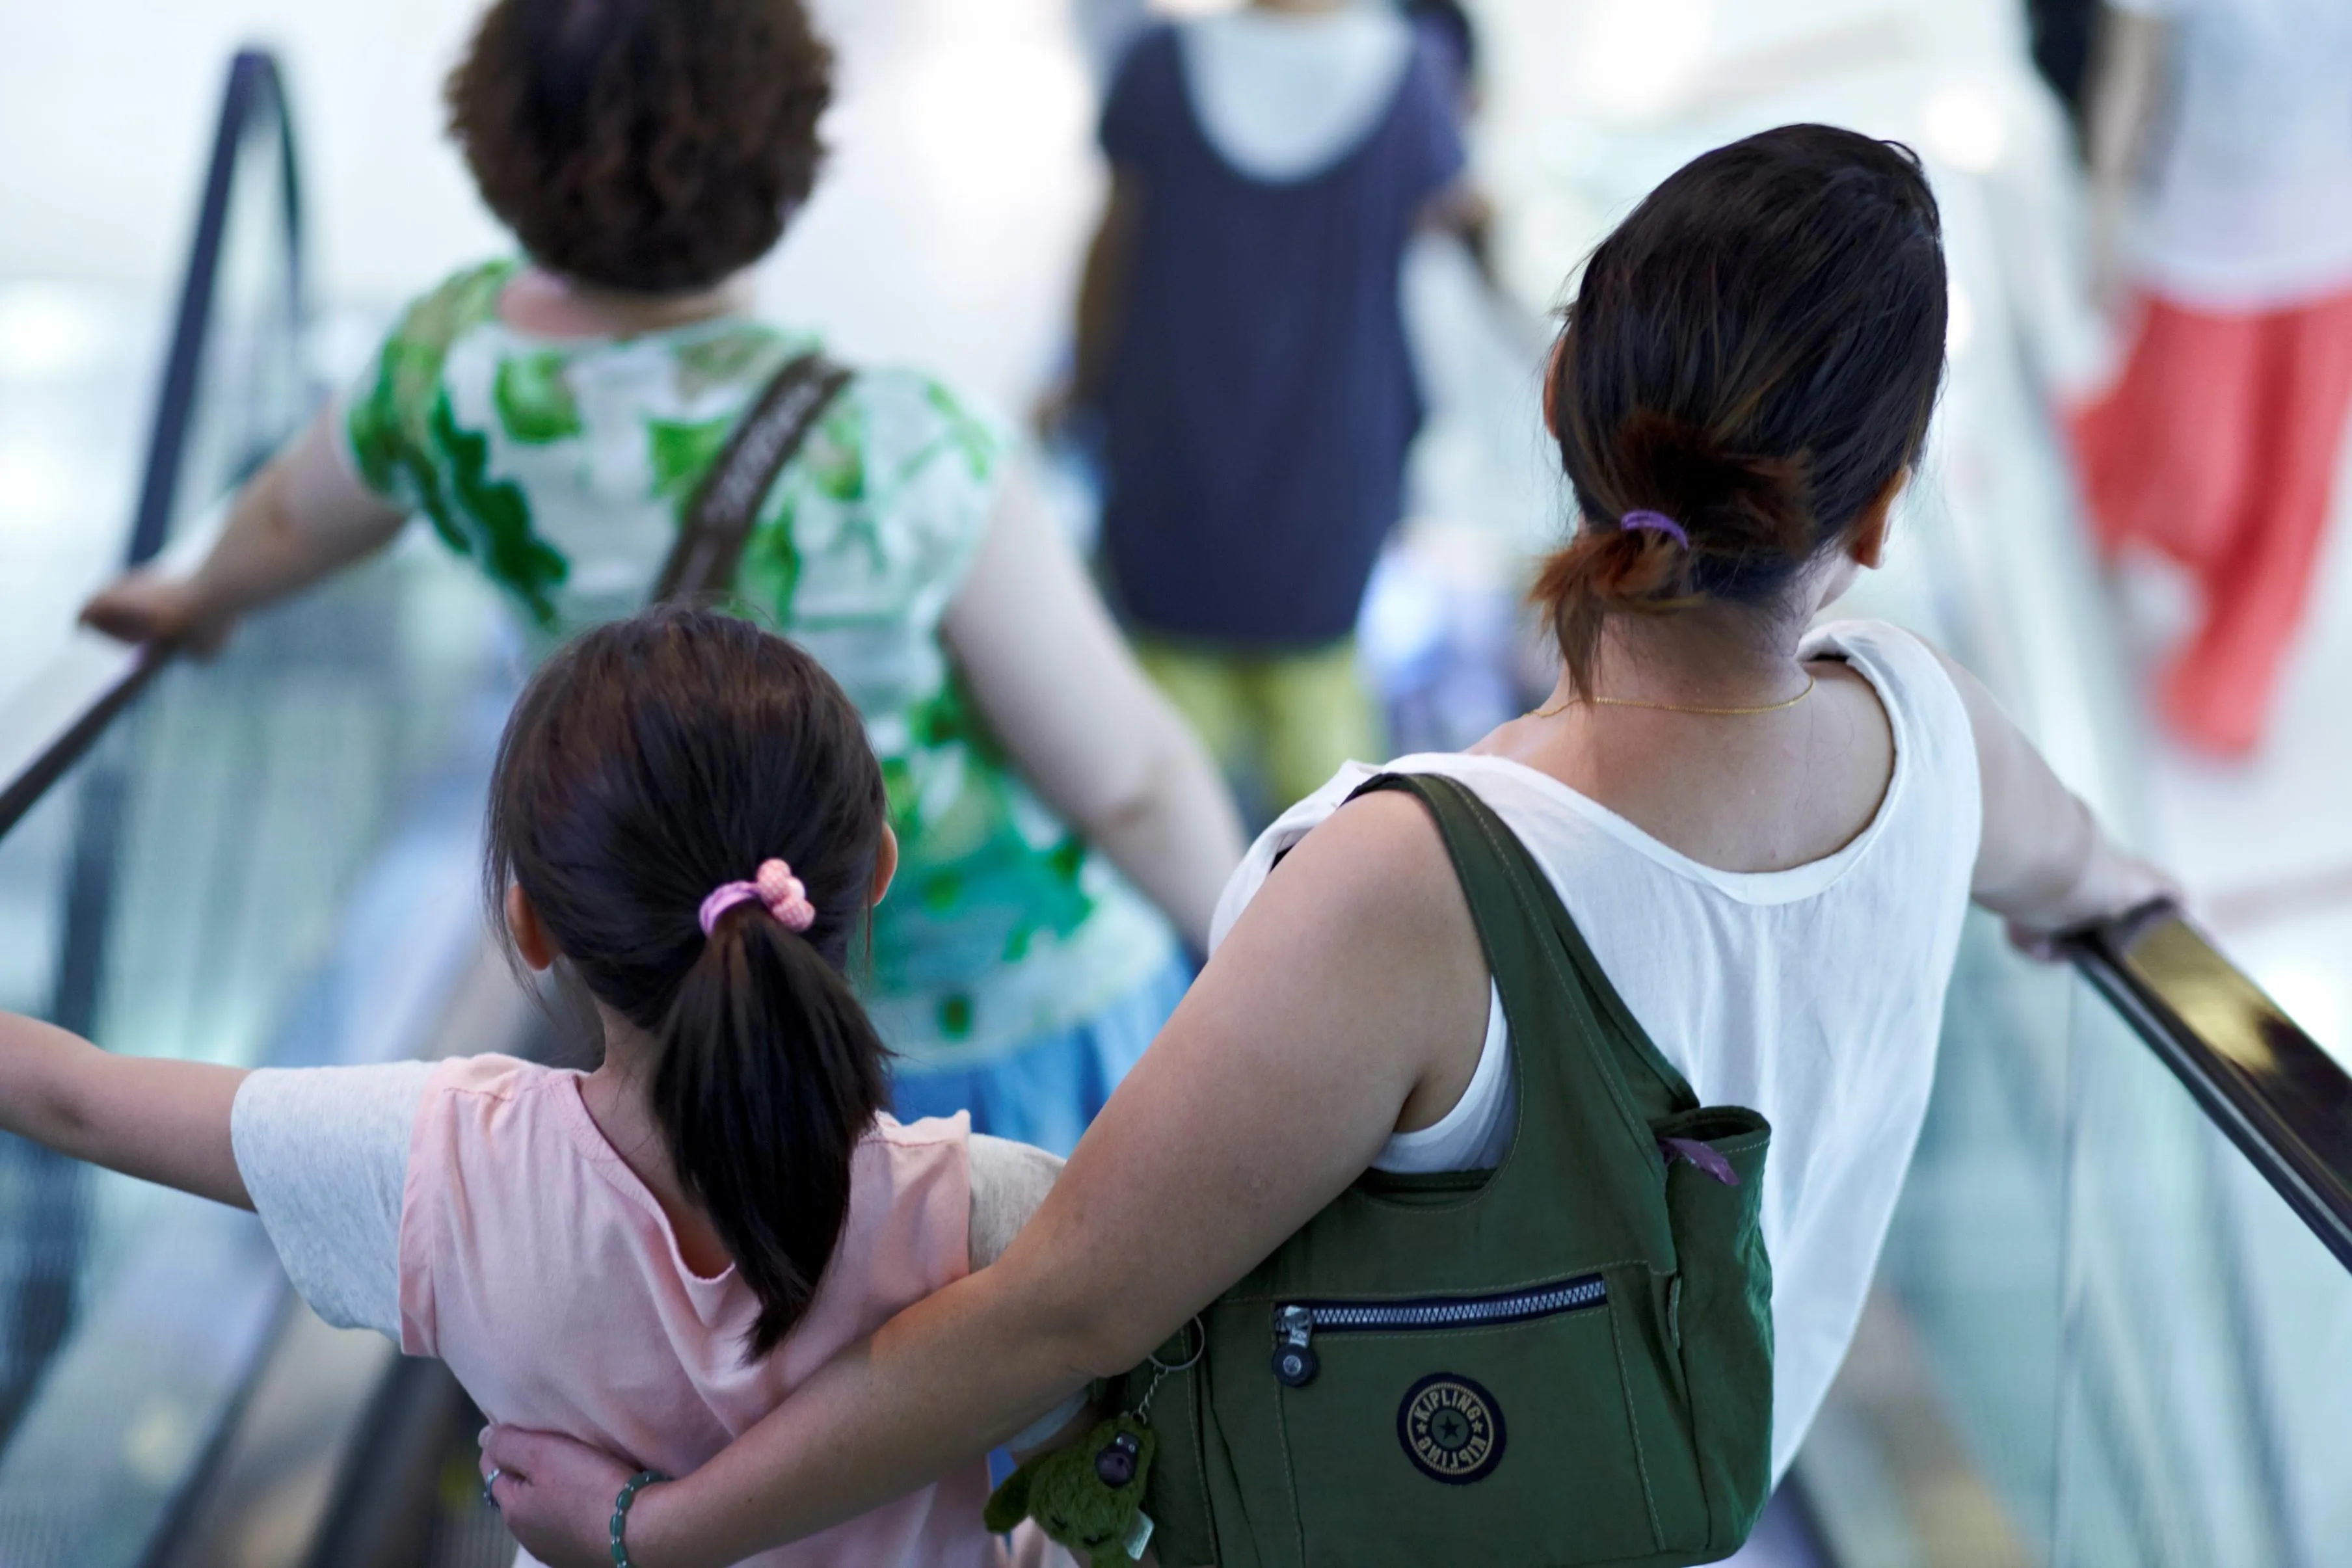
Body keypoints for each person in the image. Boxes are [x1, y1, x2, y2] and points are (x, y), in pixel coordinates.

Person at [474, 126, 2176, 1567]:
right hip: (1662, 1497)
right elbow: (2087, 874)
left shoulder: (1419, 881)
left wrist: (653, 1528)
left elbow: (1066, 1311)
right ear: (1876, 510)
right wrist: (2124, 915)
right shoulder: (1936, 731)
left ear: (1561, 394)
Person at [80, 0, 1244, 1155]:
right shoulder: (903, 452)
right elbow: (1128, 782)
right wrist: (1244, 940)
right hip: (999, 1018)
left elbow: (294, 514)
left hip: (705, 1036)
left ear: (499, 137)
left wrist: (196, 600)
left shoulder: (451, 372)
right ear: (788, 150)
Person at [0, 608, 1097, 1567]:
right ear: (877, 871)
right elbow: (1115, 1494)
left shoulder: (446, 1166)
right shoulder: (996, 1218)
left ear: (529, 925)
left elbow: (74, 1097)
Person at [1064, 0, 1473, 818]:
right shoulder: (1410, 78)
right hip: (1332, 477)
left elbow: (1110, 256)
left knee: (1162, 778)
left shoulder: (1158, 68)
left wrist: (1077, 393)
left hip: (1170, 466)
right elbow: (1450, 227)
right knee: (1324, 776)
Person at [2072, 0, 2352, 755]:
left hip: (2330, 255)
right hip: (2201, 248)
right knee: (2194, 474)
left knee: (2295, 486)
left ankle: (2235, 675)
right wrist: (2102, 219)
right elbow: (2130, 70)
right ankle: (2099, 478)